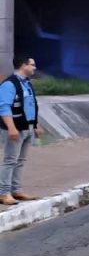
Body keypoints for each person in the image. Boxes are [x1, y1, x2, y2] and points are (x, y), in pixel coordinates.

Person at [0, 55, 42, 205]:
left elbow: (30, 105)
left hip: (27, 127)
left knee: (20, 161)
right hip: (15, 128)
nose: (34, 68)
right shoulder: (9, 84)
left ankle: (16, 190)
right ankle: (3, 193)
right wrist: (11, 128)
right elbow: (4, 107)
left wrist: (35, 125)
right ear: (24, 65)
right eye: (32, 65)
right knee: (10, 160)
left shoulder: (27, 84)